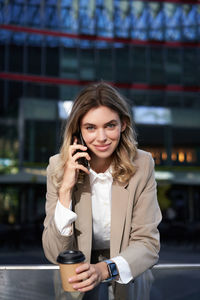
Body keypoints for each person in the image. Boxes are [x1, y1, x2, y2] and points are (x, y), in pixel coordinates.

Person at [42, 82, 162, 299]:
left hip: (128, 272)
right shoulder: (57, 167)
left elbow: (147, 244)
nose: (102, 138)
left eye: (110, 125)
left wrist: (104, 269)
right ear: (78, 129)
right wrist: (66, 190)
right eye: (90, 127)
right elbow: (53, 253)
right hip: (75, 279)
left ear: (123, 124)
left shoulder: (143, 164)